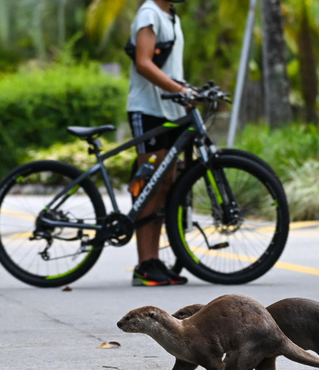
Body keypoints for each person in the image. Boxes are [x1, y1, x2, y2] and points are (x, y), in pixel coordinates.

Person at [127, 0, 193, 286]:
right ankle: (144, 266)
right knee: (150, 184)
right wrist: (180, 90)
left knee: (164, 184)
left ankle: (153, 261)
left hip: (169, 112)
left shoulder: (170, 15)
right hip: (148, 110)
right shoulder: (150, 13)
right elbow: (143, 63)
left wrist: (185, 90)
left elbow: (170, 67)